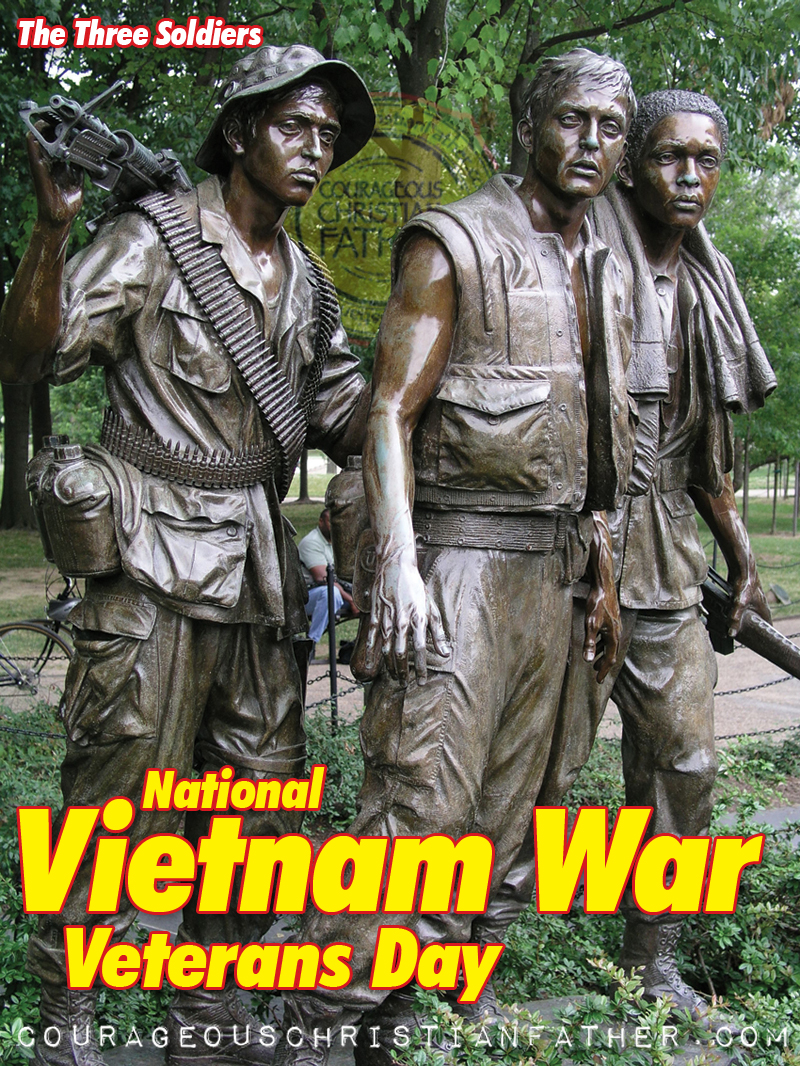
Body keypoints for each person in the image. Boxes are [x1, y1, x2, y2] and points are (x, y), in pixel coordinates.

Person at [0, 44, 374, 1066]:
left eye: (328, 136)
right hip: (152, 563)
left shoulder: (309, 281)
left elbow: (348, 409)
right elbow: (33, 352)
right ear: (241, 130)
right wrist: (51, 229)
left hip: (256, 570)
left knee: (254, 803)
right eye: (295, 126)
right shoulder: (152, 237)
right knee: (114, 800)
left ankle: (200, 1010)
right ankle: (68, 1022)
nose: (314, 149)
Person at [277, 48, 636, 1065]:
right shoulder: (452, 242)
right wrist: (395, 562)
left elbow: (598, 456)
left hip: (554, 580)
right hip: (458, 566)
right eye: (570, 121)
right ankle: (313, 1032)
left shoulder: (596, 264)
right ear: (526, 122)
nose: (590, 145)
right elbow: (387, 408)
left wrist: (601, 582)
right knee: (413, 825)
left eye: (609, 129)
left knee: (510, 827)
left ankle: (419, 1031)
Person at [475, 89, 777, 1018]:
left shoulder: (705, 286)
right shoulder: (576, 260)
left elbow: (701, 457)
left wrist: (740, 554)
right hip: (568, 561)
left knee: (685, 765)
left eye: (707, 161)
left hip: (665, 567)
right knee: (533, 777)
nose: (690, 178)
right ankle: (467, 974)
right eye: (669, 157)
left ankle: (656, 965)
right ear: (632, 163)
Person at [298, 508, 358, 653]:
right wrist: (351, 600)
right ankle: (311, 643)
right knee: (331, 594)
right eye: (331, 522)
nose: (335, 526)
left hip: (338, 592)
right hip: (306, 597)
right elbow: (324, 578)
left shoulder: (338, 543)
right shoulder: (311, 543)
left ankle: (363, 648)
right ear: (321, 521)